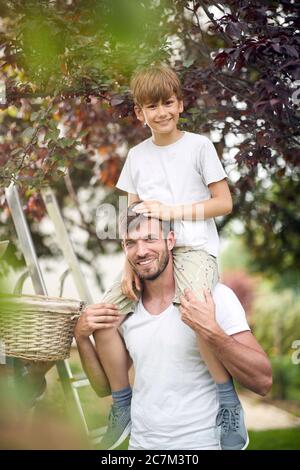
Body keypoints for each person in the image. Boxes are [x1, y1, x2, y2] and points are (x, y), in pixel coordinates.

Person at [93, 64, 249, 450]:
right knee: (105, 316)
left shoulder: (199, 147)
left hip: (194, 249)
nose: (161, 112)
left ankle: (227, 404)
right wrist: (129, 262)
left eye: (167, 103)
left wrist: (170, 210)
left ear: (180, 104)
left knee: (196, 311)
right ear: (139, 113)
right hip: (149, 254)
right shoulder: (136, 156)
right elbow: (130, 219)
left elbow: (223, 203)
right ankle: (122, 403)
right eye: (151, 106)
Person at [74, 209, 272, 450]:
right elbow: (104, 387)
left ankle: (230, 407)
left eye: (149, 239)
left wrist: (212, 331)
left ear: (170, 241)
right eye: (131, 243)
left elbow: (263, 381)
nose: (142, 251)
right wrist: (82, 338)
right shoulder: (123, 310)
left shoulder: (214, 297)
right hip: (142, 446)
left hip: (204, 445)